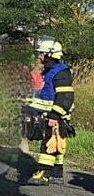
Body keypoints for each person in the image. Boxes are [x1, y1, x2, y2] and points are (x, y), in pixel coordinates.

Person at [24, 38, 75, 184]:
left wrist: (55, 115)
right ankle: (56, 174)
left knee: (48, 143)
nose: (39, 56)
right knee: (56, 143)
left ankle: (43, 173)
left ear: (50, 54)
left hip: (56, 114)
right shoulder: (49, 71)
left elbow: (65, 96)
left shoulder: (61, 72)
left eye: (41, 54)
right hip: (48, 113)